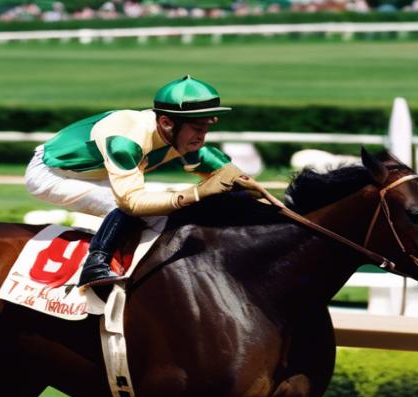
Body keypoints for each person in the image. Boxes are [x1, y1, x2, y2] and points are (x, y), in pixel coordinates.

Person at [25, 74, 253, 288]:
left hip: (95, 173)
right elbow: (130, 203)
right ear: (166, 123)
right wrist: (195, 194)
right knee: (133, 207)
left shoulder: (174, 132)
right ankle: (95, 264)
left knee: (163, 206)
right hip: (50, 175)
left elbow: (206, 160)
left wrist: (241, 181)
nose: (202, 136)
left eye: (206, 128)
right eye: (196, 128)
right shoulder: (126, 140)